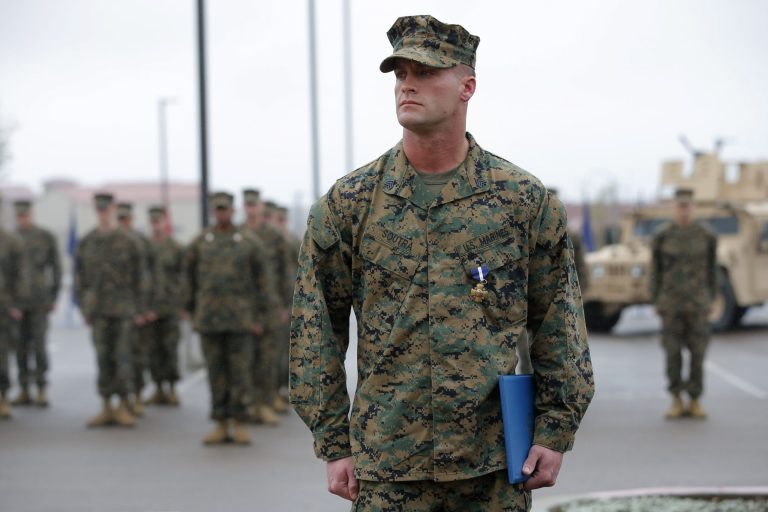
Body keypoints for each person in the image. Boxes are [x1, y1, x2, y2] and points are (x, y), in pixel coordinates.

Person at [290, 15, 594, 511]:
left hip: (494, 462)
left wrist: (555, 430)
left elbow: (558, 322)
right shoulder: (350, 203)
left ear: (466, 86)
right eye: (400, 72)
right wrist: (332, 441)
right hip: (388, 462)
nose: (408, 83)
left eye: (427, 71)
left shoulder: (521, 201)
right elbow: (314, 328)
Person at [185, 192, 273, 445]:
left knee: (241, 372)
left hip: (241, 319)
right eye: (217, 209)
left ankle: (240, 421)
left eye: (224, 209)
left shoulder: (248, 242)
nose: (221, 213)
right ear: (213, 212)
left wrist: (261, 316)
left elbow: (263, 282)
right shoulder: (201, 242)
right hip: (210, 319)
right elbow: (189, 279)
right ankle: (221, 422)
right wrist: (191, 311)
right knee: (216, 373)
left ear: (232, 211)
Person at [75, 193, 143, 428]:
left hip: (124, 309)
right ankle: (106, 405)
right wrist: (83, 307)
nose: (103, 213)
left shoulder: (128, 241)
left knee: (123, 357)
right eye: (99, 209)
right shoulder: (88, 241)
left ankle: (124, 404)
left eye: (107, 209)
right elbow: (80, 277)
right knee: (103, 358)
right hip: (99, 310)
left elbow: (141, 276)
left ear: (114, 209)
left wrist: (140, 308)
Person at [650, 188, 717, 419]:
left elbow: (712, 270)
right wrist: (656, 299)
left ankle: (695, 399)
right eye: (680, 206)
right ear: (674, 207)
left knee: (698, 353)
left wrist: (712, 298)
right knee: (672, 352)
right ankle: (676, 398)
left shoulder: (706, 235)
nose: (684, 210)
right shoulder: (663, 235)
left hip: (698, 303)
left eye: (688, 206)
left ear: (694, 207)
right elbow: (655, 270)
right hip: (671, 303)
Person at [240, 189, 286, 424]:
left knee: (268, 358)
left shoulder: (274, 237)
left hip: (269, 306)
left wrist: (286, 305)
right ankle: (248, 403)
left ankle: (266, 402)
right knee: (245, 360)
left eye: (253, 205)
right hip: (242, 308)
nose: (250, 209)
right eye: (246, 205)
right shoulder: (238, 235)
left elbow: (286, 273)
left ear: (259, 206)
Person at [11, 199, 61, 408]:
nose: (23, 218)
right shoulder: (10, 238)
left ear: (32, 214)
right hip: (17, 304)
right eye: (20, 215)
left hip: (40, 301)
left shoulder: (45, 236)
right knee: (20, 347)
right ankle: (24, 389)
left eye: (26, 214)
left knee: (39, 346)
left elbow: (56, 268)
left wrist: (53, 297)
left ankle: (41, 388)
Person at [144, 206, 184, 406]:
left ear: (164, 222)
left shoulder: (175, 247)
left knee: (170, 348)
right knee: (153, 350)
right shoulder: (144, 247)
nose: (156, 225)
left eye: (158, 221)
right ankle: (158, 387)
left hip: (170, 307)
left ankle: (172, 388)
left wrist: (183, 304)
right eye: (152, 222)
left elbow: (184, 277)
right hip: (150, 309)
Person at [116, 202, 153, 416]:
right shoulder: (108, 241)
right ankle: (121, 400)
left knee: (138, 356)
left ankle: (138, 396)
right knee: (119, 357)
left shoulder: (141, 242)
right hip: (115, 308)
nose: (124, 223)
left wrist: (146, 308)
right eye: (120, 219)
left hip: (136, 309)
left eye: (126, 218)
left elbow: (149, 276)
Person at [0, 203, 24, 419]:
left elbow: (20, 275)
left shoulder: (10, 241)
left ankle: (3, 397)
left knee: (2, 355)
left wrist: (16, 304)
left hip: (3, 307)